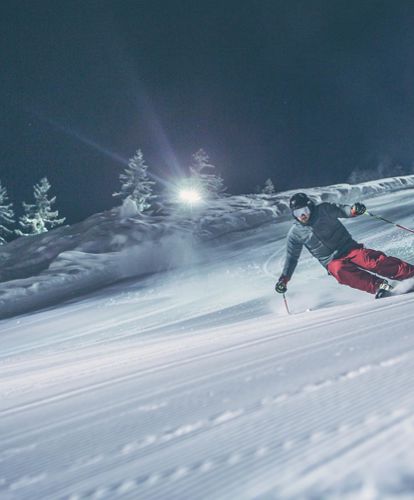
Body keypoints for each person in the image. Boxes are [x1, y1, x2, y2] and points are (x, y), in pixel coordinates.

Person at [275, 192, 414, 299]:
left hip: (349, 248)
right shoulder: (295, 233)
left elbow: (343, 210)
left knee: (370, 262)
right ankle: (382, 287)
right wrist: (284, 279)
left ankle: (410, 274)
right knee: (340, 271)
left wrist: (354, 210)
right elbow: (292, 258)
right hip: (331, 261)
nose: (302, 216)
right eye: (297, 213)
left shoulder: (324, 210)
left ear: (310, 206)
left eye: (304, 210)